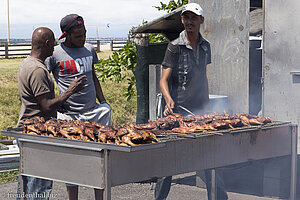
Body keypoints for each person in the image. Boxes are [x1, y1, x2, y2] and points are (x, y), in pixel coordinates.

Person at [156, 3, 228, 200]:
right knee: (168, 163)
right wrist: (168, 100)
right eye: (186, 18)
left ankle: (219, 198)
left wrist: (207, 107)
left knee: (208, 159)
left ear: (201, 21)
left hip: (199, 112)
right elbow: (163, 80)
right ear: (182, 20)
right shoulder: (174, 46)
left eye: (193, 18)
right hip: (177, 111)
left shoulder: (206, 46)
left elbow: (203, 77)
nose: (189, 22)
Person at [45, 14, 111, 200]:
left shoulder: (89, 49)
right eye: (77, 36)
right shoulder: (55, 54)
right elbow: (45, 79)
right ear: (66, 36)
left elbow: (93, 76)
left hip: (93, 112)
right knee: (72, 162)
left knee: (99, 157)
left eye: (84, 34)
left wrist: (103, 101)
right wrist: (58, 99)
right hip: (70, 116)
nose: (82, 39)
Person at [17, 27, 86, 200]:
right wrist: (69, 92)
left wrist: (60, 105)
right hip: (37, 133)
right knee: (38, 189)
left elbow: (39, 101)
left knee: (26, 187)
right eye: (53, 43)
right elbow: (46, 106)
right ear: (47, 44)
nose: (55, 47)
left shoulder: (27, 63)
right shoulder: (38, 70)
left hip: (28, 131)